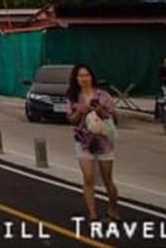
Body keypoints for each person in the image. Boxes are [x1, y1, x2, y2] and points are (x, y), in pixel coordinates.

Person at [66, 63, 121, 223]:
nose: (84, 79)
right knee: (88, 177)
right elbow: (71, 120)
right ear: (76, 79)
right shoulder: (73, 97)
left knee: (107, 178)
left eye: (86, 75)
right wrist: (79, 111)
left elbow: (114, 118)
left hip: (104, 141)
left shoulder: (103, 95)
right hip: (83, 140)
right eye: (80, 76)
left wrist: (100, 111)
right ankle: (92, 213)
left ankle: (113, 209)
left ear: (91, 77)